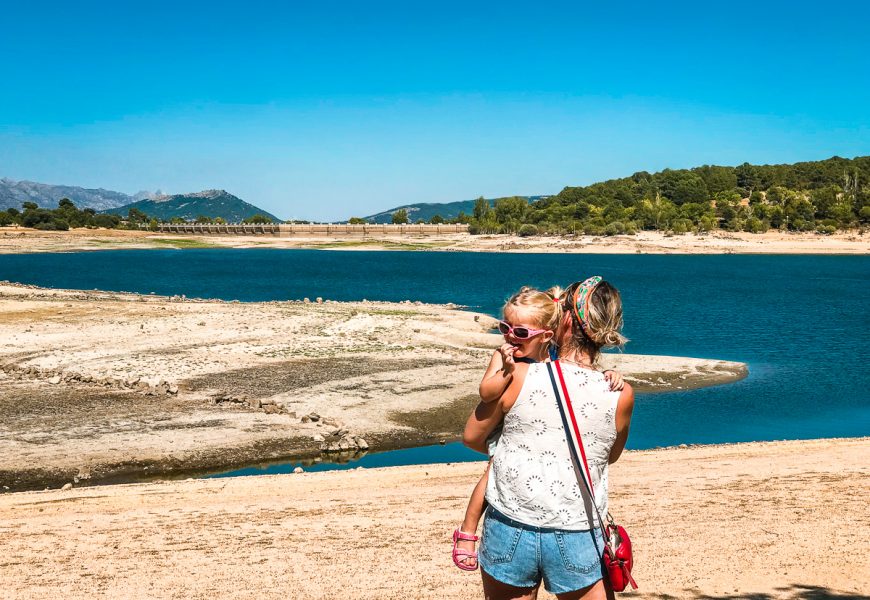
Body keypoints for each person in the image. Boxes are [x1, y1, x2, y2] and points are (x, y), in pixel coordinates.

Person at [463, 276, 635, 600]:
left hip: (510, 521)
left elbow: (472, 437)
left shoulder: (520, 374)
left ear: (565, 321)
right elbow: (609, 455)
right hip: (577, 527)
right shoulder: (620, 393)